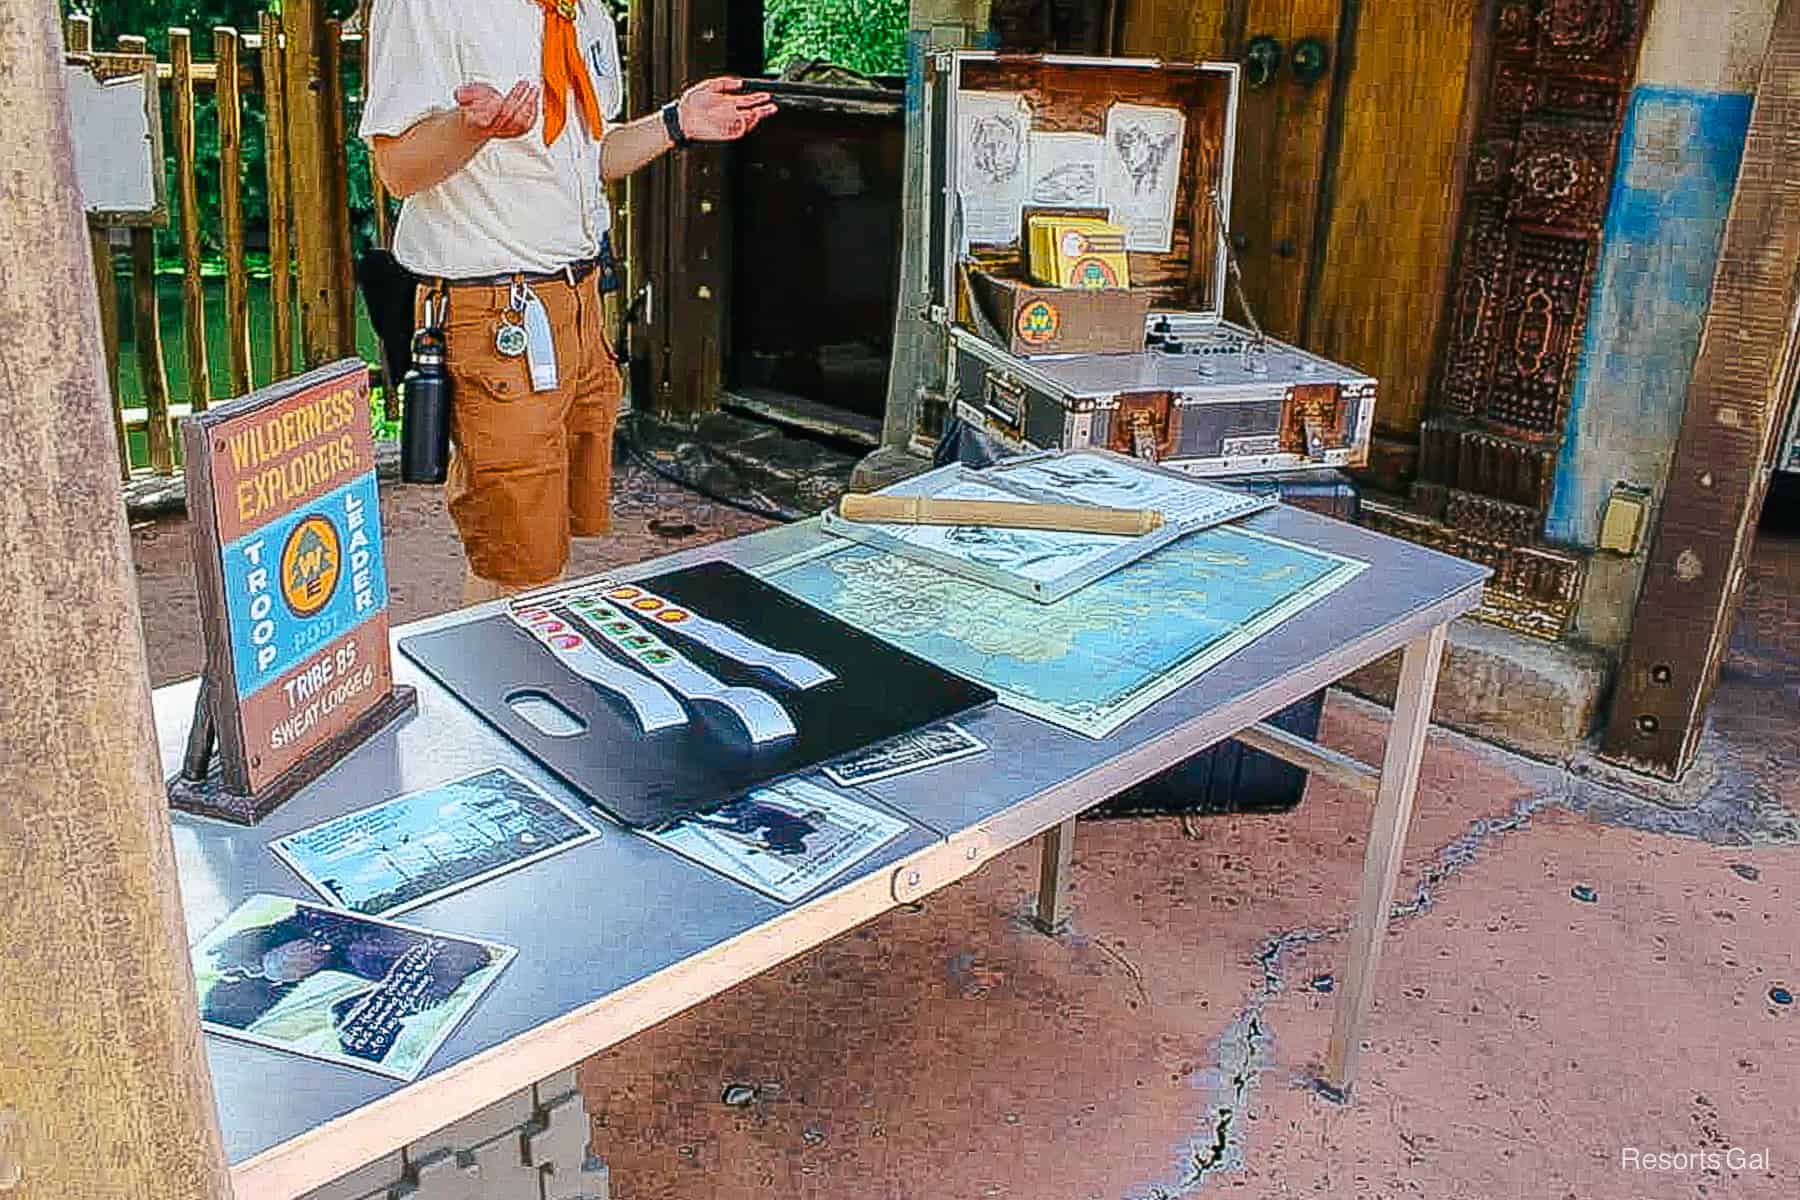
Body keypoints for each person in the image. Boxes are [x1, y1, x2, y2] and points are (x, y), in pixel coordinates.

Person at [360, 0, 775, 602]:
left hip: (578, 304)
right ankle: (506, 686)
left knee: (548, 548)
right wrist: (472, 129)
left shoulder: (584, 15)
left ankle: (531, 678)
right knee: (516, 564)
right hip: (497, 311)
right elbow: (397, 168)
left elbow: (590, 158)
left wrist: (676, 123)